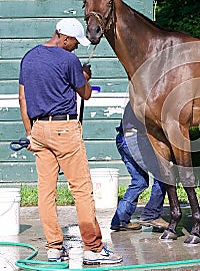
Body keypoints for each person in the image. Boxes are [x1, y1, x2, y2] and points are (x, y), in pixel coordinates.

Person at [19, 18, 123, 265]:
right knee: (81, 191)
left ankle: (54, 248)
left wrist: (29, 134)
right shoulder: (68, 60)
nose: (77, 46)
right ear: (64, 37)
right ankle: (93, 249)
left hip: (39, 130)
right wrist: (84, 75)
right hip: (64, 129)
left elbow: (23, 98)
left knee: (46, 192)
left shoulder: (29, 57)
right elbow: (85, 93)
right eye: (75, 42)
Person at [110, 101, 168, 231]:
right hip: (135, 139)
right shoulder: (149, 97)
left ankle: (120, 219)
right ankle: (151, 215)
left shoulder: (135, 97)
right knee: (164, 175)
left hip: (122, 139)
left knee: (139, 181)